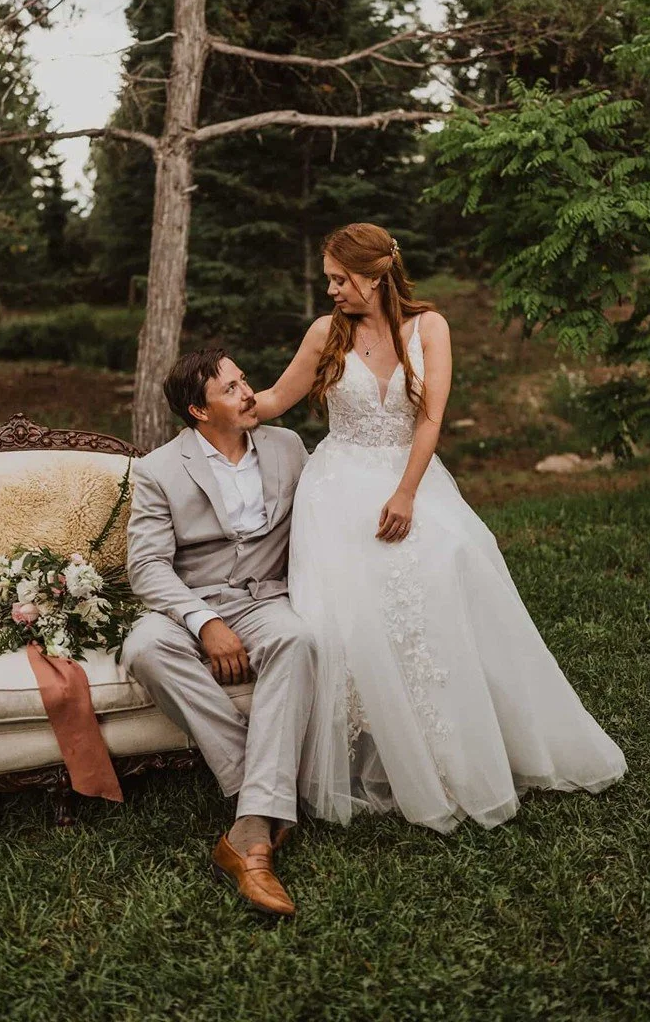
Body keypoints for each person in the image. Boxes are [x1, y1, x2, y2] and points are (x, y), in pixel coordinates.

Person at [254, 222, 627, 833]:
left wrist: (406, 493)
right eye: (330, 280)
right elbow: (274, 400)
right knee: (351, 615)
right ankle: (376, 752)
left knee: (447, 569)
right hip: (337, 488)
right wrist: (221, 403)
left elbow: (429, 419)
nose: (332, 290)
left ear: (376, 276)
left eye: (340, 279)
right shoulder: (325, 333)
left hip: (412, 478)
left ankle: (459, 743)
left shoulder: (430, 328)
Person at [123, 348, 316, 917]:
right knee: (143, 648)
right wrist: (204, 622)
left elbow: (326, 514)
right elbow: (147, 566)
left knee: (297, 640)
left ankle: (249, 829)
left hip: (264, 599)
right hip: (193, 600)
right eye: (230, 389)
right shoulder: (158, 469)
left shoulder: (287, 447)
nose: (249, 392)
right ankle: (257, 789)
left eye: (243, 379)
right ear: (199, 411)